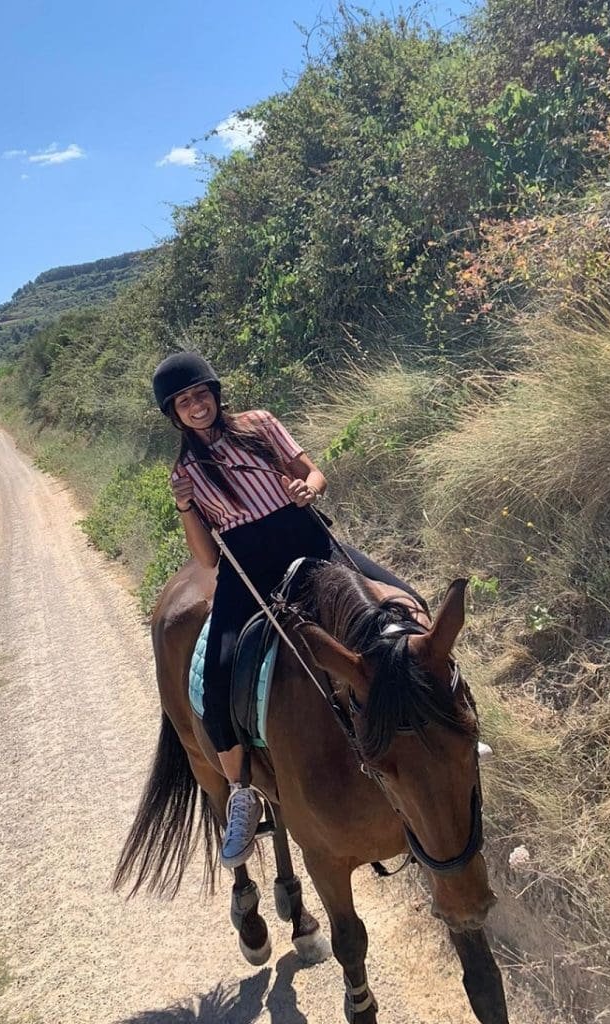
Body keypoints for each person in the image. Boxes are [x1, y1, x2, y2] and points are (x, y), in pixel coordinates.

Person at [151, 351, 424, 869]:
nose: (195, 406)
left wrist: (307, 488)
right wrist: (186, 505)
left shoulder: (260, 424)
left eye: (199, 394)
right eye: (183, 402)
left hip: (308, 538)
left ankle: (434, 722)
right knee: (217, 675)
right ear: (175, 414)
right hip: (245, 565)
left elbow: (314, 473)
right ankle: (240, 792)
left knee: (409, 603)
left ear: (214, 393)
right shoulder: (185, 472)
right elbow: (206, 557)